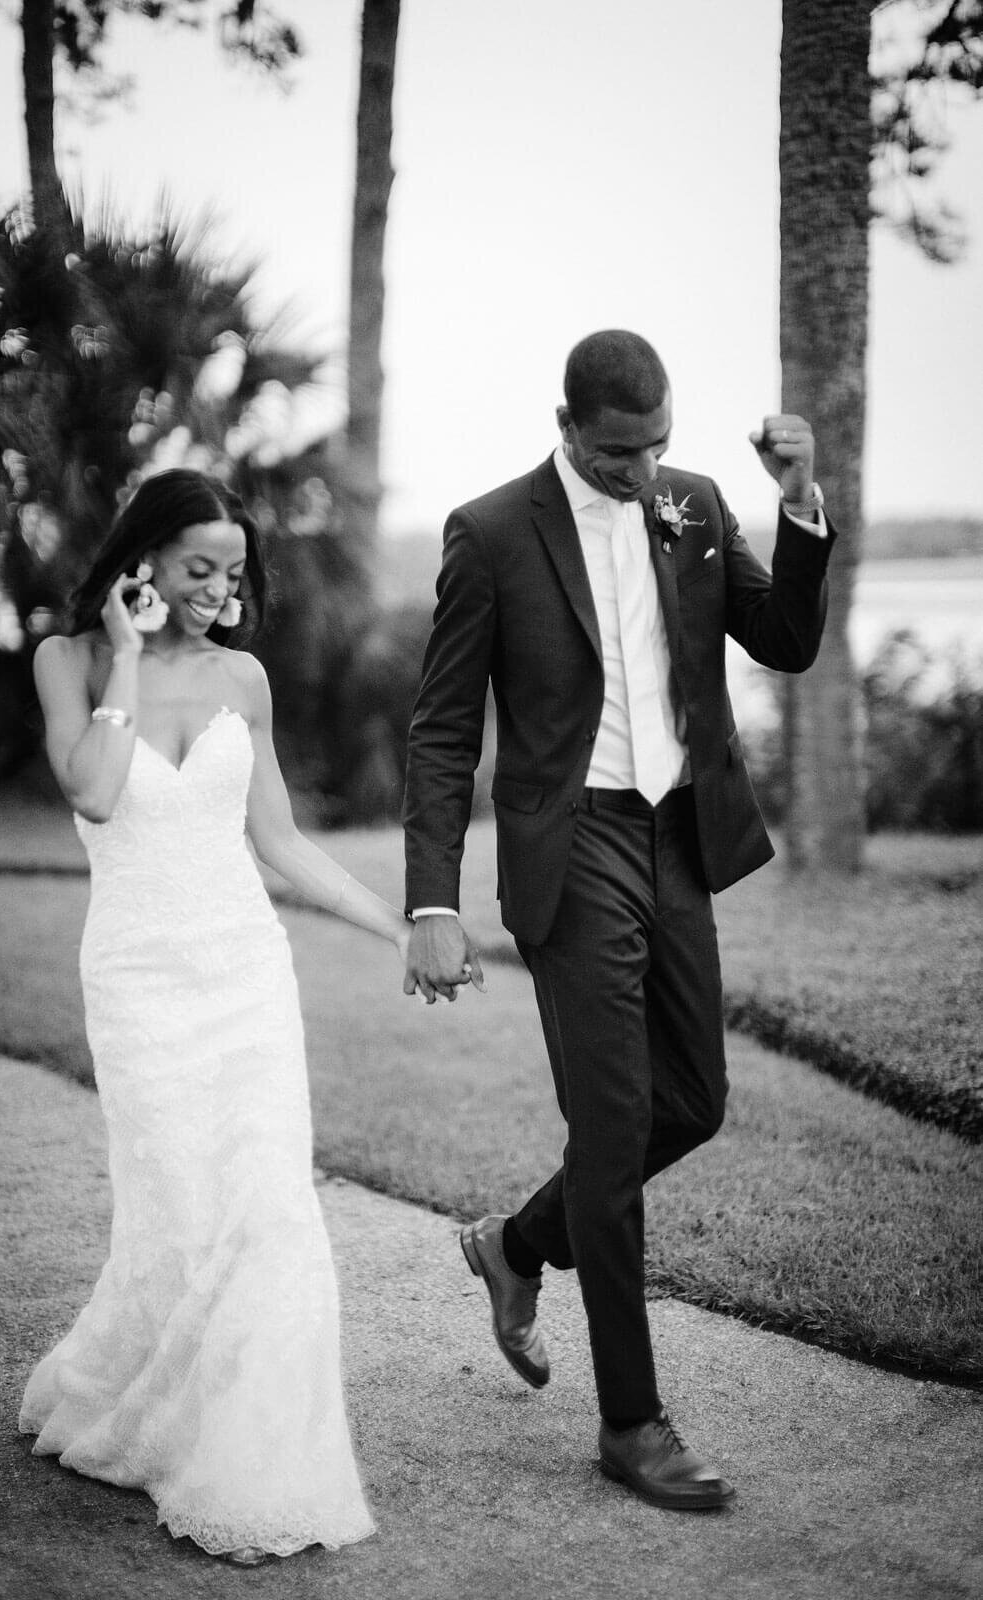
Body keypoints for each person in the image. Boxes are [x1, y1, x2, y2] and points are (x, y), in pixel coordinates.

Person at [402, 329, 835, 1511]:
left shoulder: (692, 504)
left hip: (677, 837)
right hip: (570, 842)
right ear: (566, 422)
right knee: (614, 1122)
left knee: (693, 1101)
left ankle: (514, 1244)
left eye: (657, 446)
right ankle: (632, 1424)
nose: (643, 471)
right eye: (617, 452)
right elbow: (442, 729)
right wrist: (430, 900)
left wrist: (797, 507)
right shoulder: (489, 534)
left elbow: (786, 641)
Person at [20, 469, 410, 1562]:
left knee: (269, 1208)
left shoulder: (246, 678)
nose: (219, 589)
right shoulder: (70, 661)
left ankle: (263, 1466)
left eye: (234, 571)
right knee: (178, 1213)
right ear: (139, 559)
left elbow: (278, 843)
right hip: (139, 980)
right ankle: (142, 1405)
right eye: (199, 567)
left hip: (245, 975)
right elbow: (95, 790)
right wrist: (130, 660)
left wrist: (400, 927)